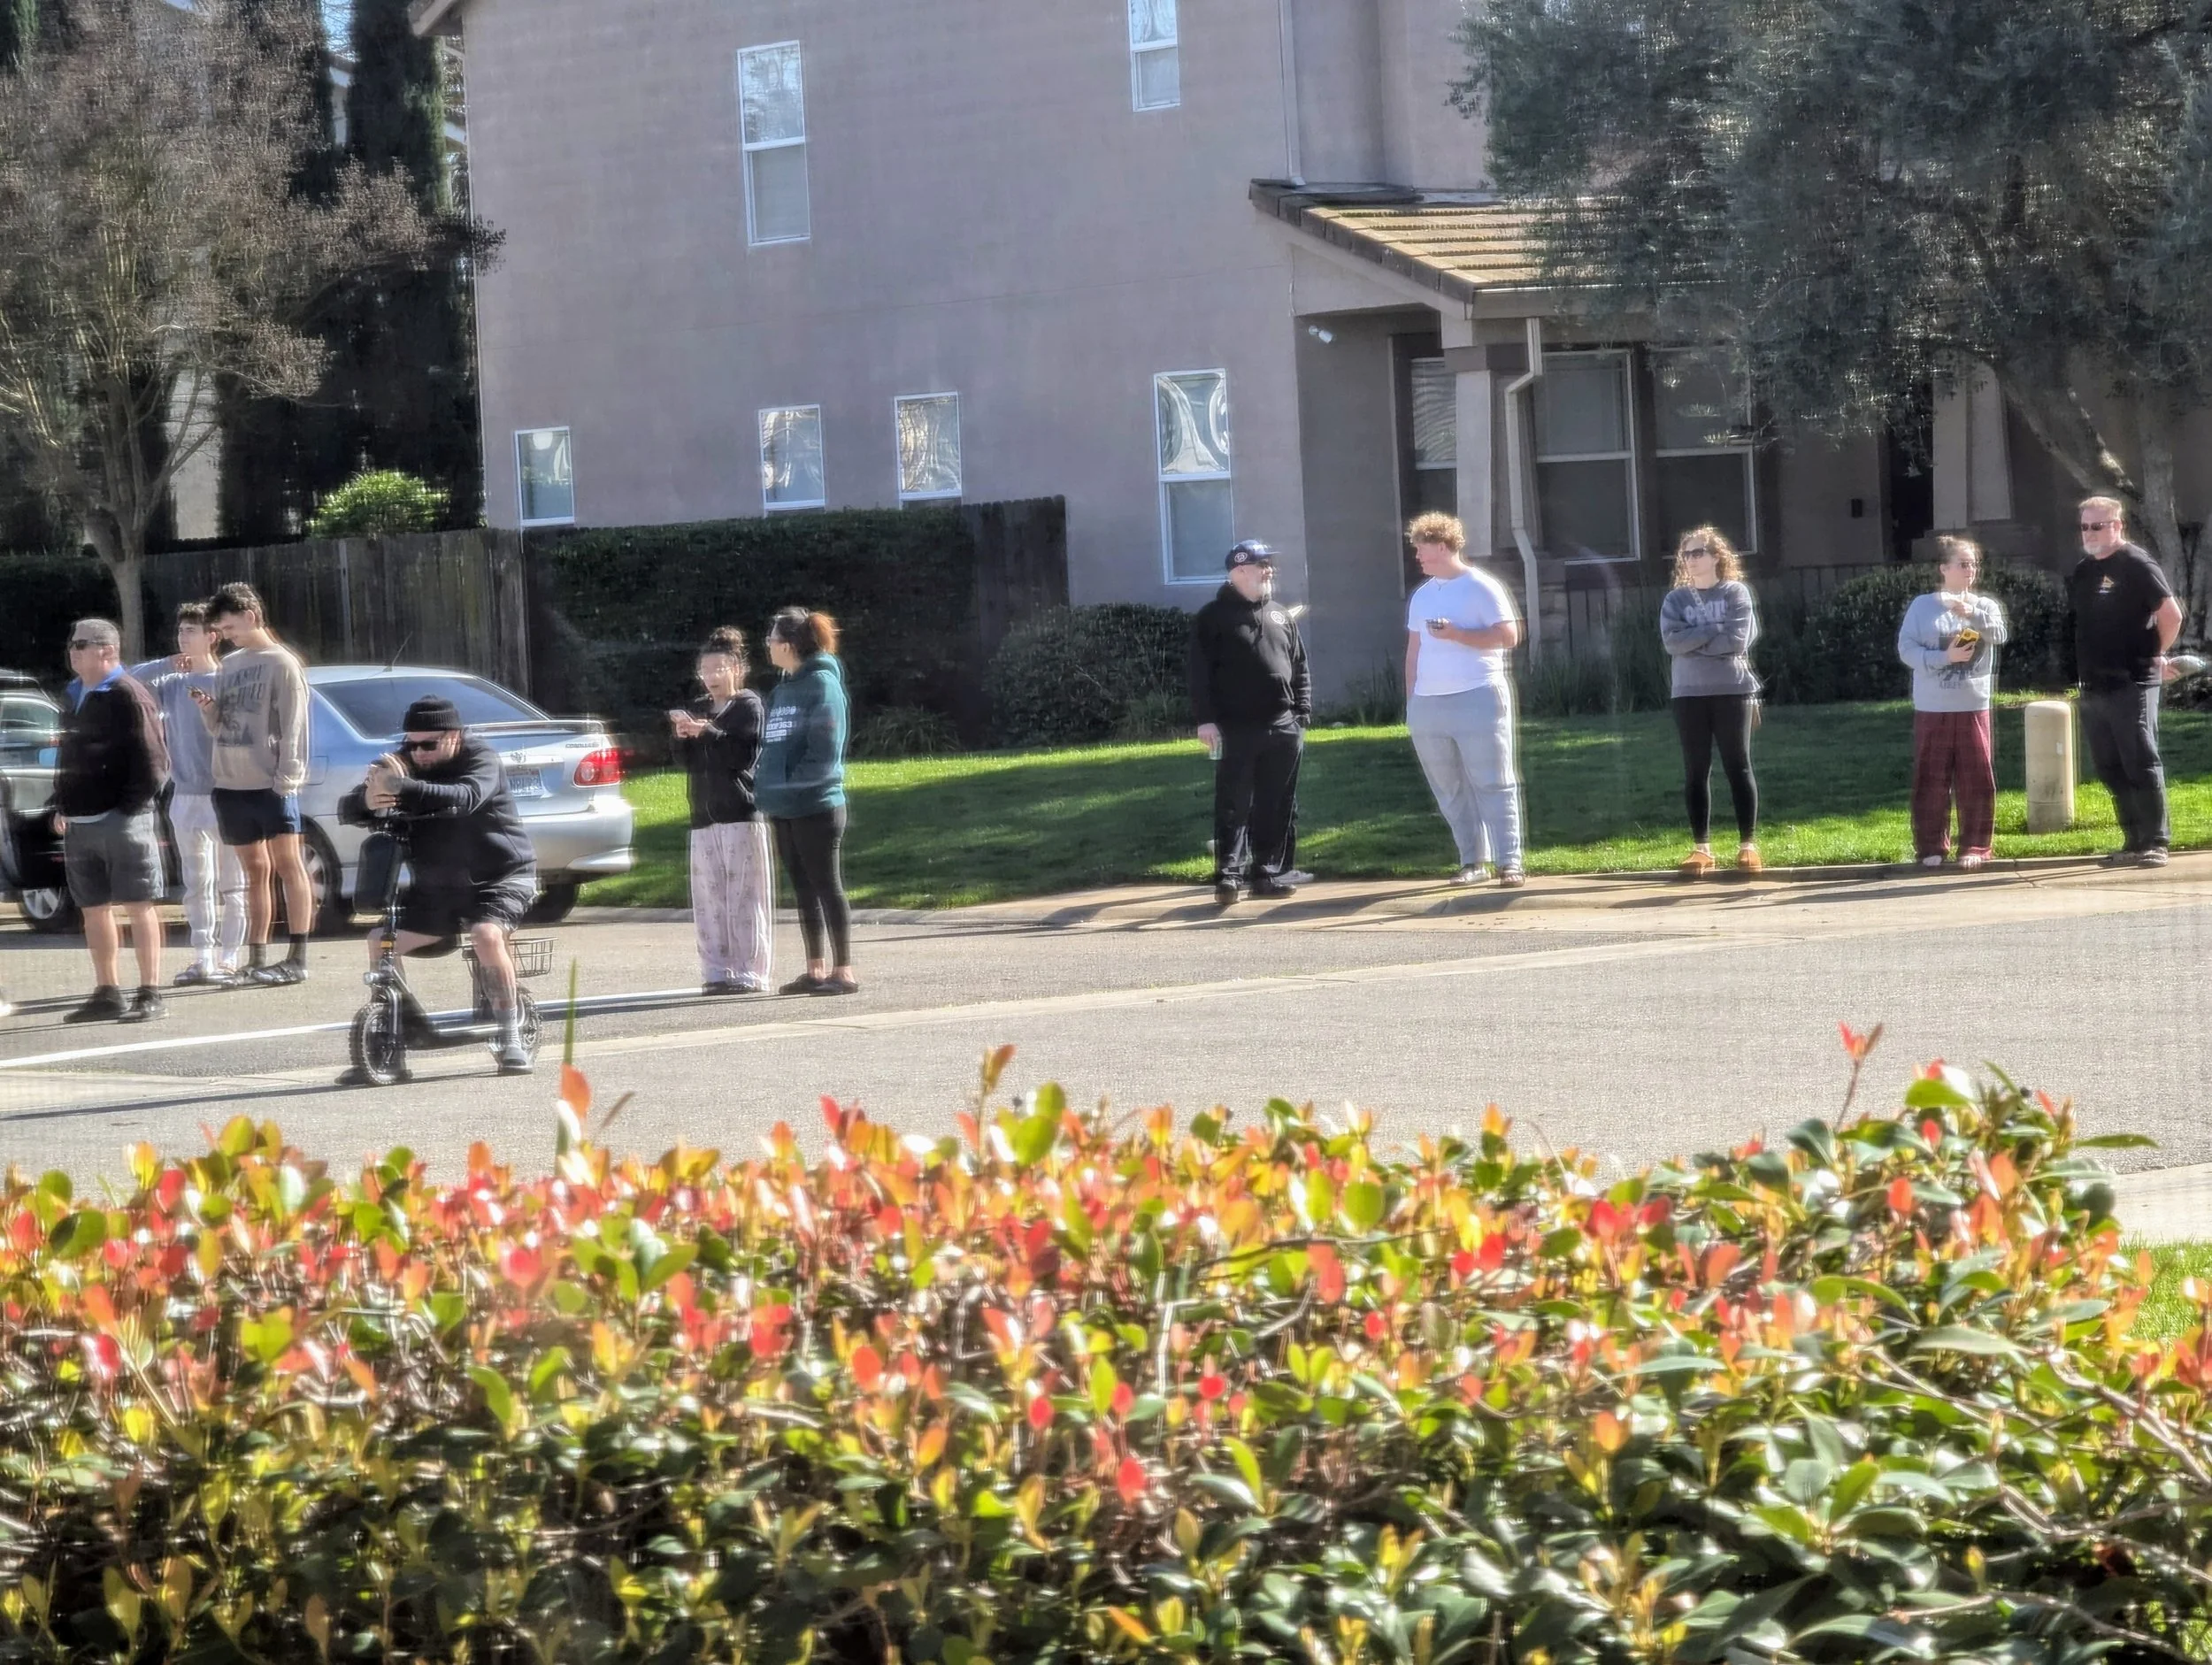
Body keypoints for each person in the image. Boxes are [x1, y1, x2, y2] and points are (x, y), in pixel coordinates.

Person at [345, 694, 539, 1074]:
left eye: (428, 745)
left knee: (486, 935)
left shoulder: (480, 758)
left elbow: (465, 797)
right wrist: (368, 798)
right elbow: (351, 807)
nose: (418, 753)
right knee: (380, 940)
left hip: (500, 877)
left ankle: (509, 1034)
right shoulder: (405, 760)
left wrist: (402, 787)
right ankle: (394, 1040)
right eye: (412, 743)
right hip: (438, 888)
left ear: (453, 736)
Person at [1402, 511, 1526, 888]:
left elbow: (1509, 636)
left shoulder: (1482, 586)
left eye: (1422, 549)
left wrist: (1458, 634)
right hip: (1428, 704)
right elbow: (1413, 651)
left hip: (1478, 696)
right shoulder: (1423, 596)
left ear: (1442, 546)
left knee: (1492, 781)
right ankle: (1472, 861)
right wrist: (1412, 703)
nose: (1418, 557)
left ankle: (1510, 863)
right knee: (1448, 788)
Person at [197, 582, 314, 983]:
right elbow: (220, 724)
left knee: (288, 865)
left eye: (229, 628)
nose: (226, 636)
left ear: (250, 616)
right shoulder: (230, 665)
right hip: (230, 783)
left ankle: (297, 955)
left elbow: (295, 725)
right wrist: (208, 710)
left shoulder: (283, 663)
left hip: (271, 783)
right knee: (254, 871)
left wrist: (288, 779)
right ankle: (257, 957)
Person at [55, 619, 169, 1024]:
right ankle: (107, 991)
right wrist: (60, 804)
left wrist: (126, 810)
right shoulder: (73, 693)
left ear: (108, 651)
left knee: (139, 906)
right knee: (93, 909)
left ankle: (150, 991)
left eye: (81, 643)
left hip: (123, 820)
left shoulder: (128, 694)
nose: (73, 650)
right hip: (80, 822)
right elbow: (70, 757)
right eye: (72, 643)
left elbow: (155, 764)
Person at [1189, 540, 1311, 907]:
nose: (1269, 571)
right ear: (1239, 571)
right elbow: (1198, 674)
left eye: (1269, 565)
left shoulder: (1279, 615)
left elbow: (1300, 665)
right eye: (1262, 565)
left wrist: (1302, 712)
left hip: (1284, 725)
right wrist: (1205, 721)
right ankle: (1228, 876)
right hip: (1235, 728)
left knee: (1278, 803)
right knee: (1234, 803)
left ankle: (1270, 874)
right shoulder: (1212, 617)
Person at [133, 602, 248, 985]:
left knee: (232, 883)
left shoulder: (228, 679)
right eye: (180, 631)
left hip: (225, 794)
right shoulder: (173, 684)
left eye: (191, 631)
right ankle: (204, 957)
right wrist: (166, 663)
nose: (183, 638)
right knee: (197, 883)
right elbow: (130, 682)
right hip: (185, 795)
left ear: (212, 637)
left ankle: (231, 956)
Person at [2069, 496, 2185, 867]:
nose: (2090, 533)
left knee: (2139, 759)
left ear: (2117, 526)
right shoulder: (2084, 570)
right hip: (2094, 684)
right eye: (2085, 526)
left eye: (2098, 526)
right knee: (2109, 763)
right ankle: (2132, 839)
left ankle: (2156, 840)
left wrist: (2155, 653)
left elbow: (2171, 615)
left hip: (2133, 680)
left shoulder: (2136, 563)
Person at [757, 608, 856, 995]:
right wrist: (770, 788)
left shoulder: (822, 685)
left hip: (817, 804)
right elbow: (776, 745)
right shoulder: (784, 688)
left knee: (826, 884)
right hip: (784, 806)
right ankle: (815, 970)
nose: (767, 644)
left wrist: (795, 786)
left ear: (789, 645)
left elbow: (824, 751)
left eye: (771, 638)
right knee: (802, 888)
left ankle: (843, 971)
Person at [1897, 537, 2009, 871]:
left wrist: (1973, 614)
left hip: (1973, 703)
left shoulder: (1984, 605)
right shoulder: (1922, 607)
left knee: (1976, 776)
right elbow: (1907, 650)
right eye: (1963, 564)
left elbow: (2000, 635)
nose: (1970, 570)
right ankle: (1931, 846)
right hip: (1933, 706)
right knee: (1931, 776)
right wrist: (1943, 657)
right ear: (1943, 568)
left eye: (1973, 563)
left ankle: (1976, 845)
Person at [672, 626, 771, 994]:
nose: (711, 677)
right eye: (705, 671)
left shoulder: (748, 706)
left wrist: (708, 733)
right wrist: (682, 735)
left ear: (736, 668)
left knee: (744, 895)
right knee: (709, 898)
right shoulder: (699, 707)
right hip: (703, 815)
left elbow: (742, 756)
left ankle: (750, 971)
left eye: (718, 669)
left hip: (739, 813)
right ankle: (716, 970)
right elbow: (685, 761)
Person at [1659, 526, 1762, 877]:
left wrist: (1696, 639)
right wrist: (1711, 632)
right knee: (1695, 770)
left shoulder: (1736, 592)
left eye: (1698, 552)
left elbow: (1736, 641)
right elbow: (1672, 643)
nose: (1691, 559)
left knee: (1738, 764)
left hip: (1733, 689)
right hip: (1688, 693)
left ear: (1717, 556)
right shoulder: (1675, 600)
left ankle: (1747, 844)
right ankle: (1702, 847)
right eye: (1686, 554)